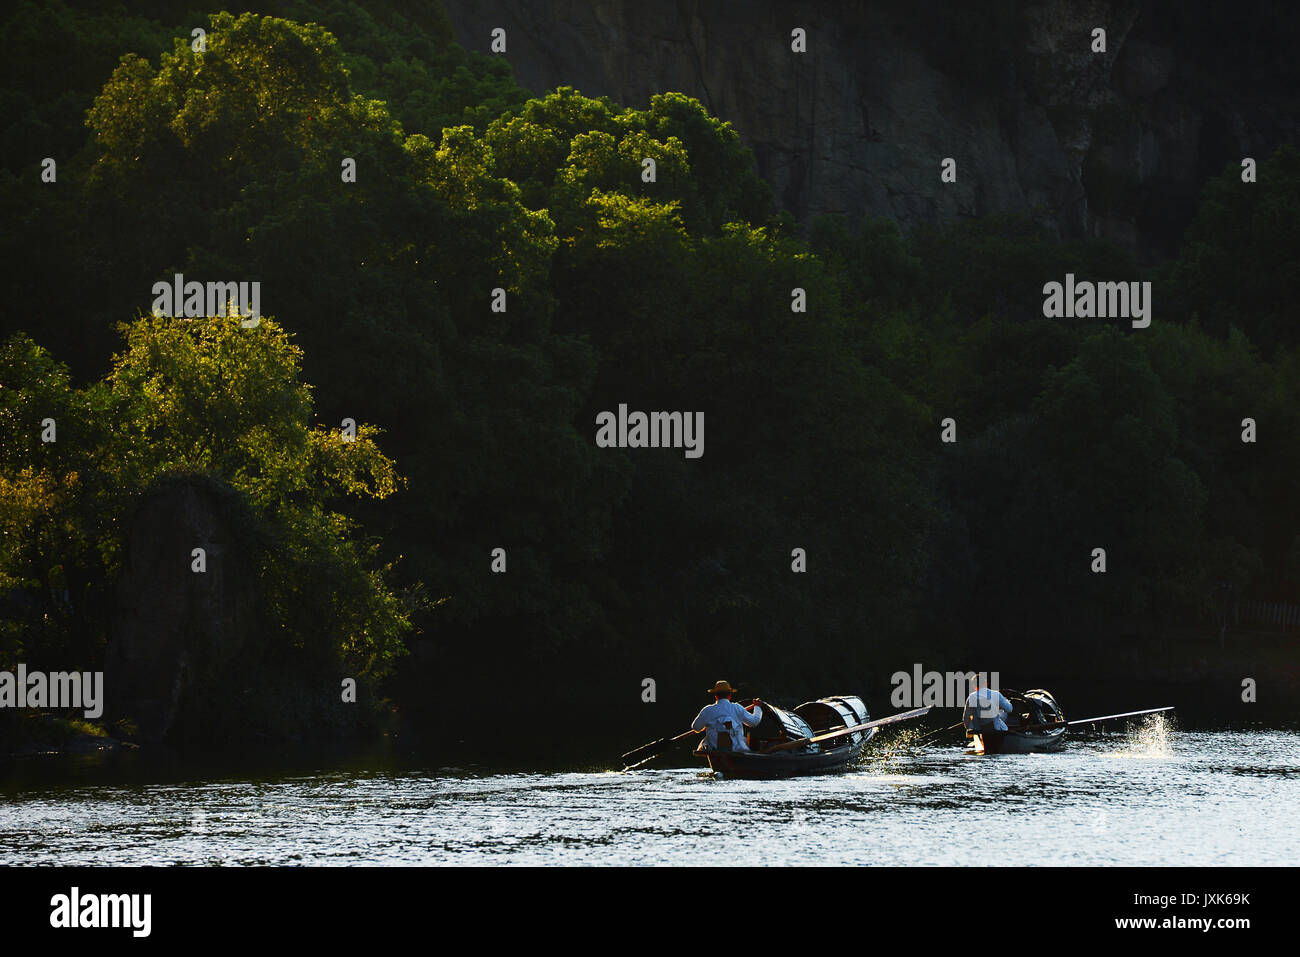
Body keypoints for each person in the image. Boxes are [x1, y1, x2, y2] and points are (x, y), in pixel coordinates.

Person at [692, 680, 763, 751]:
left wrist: (705, 725)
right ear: (730, 695)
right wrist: (757, 707)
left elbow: (696, 727)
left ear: (716, 696)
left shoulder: (707, 710)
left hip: (714, 750)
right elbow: (754, 722)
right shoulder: (737, 708)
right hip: (736, 751)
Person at [962, 672, 1013, 753]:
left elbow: (965, 718)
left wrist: (969, 729)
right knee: (1004, 713)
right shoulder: (996, 694)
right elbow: (1009, 709)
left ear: (974, 686)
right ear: (986, 683)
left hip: (980, 728)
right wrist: (1006, 701)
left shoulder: (971, 697)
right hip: (995, 728)